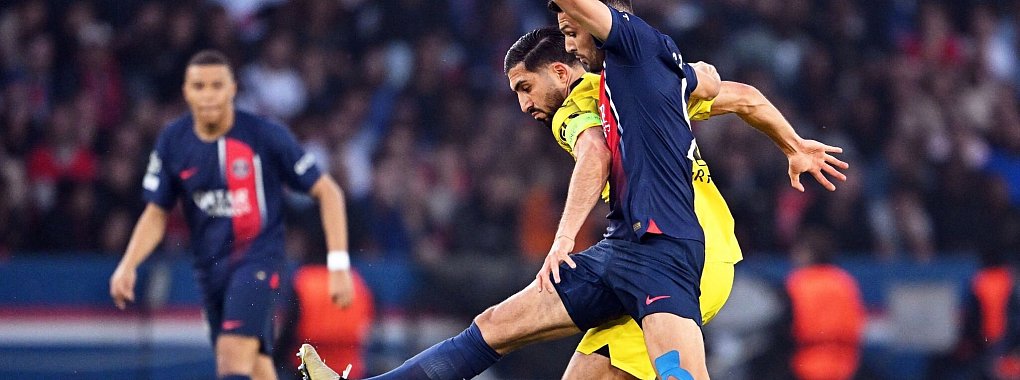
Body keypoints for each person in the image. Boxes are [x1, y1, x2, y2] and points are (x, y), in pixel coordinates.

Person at [505, 24, 846, 379]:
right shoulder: (644, 89)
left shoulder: (580, 108)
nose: (524, 104)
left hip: (679, 260)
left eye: (525, 88)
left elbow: (594, 154)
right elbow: (746, 97)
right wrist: (793, 145)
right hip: (694, 254)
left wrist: (563, 240)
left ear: (560, 71)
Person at [108, 50, 355, 380]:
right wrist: (128, 263)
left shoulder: (265, 136)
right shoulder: (173, 142)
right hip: (212, 270)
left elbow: (329, 192)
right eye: (199, 86)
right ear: (186, 91)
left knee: (231, 357)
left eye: (216, 85)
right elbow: (157, 211)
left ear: (233, 89)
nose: (208, 95)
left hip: (258, 263)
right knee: (258, 367)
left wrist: (338, 266)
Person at [783, 228, 866, 380]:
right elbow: (857, 325)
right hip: (845, 365)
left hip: (805, 362)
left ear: (809, 253)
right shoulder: (844, 281)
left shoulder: (798, 282)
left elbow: (786, 326)